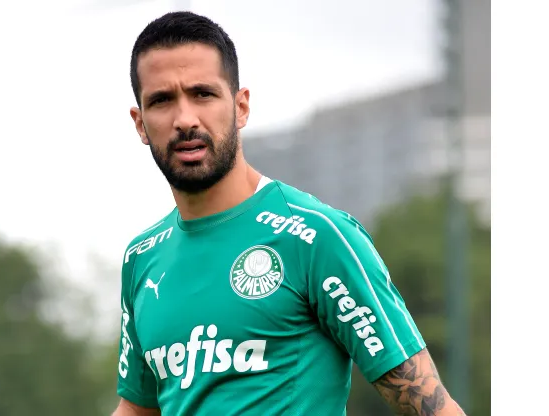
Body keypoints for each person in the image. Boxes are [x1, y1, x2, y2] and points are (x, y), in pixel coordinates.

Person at [113, 11, 466, 416]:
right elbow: (137, 409)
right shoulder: (141, 258)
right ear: (140, 124)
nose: (186, 119)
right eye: (162, 101)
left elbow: (432, 406)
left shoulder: (318, 237)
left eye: (203, 94)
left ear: (241, 107)